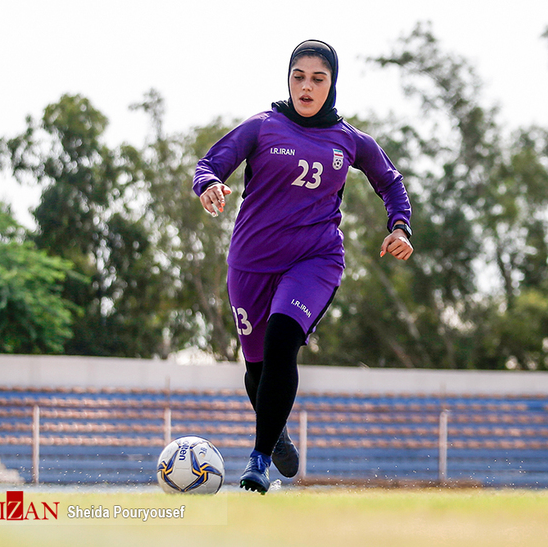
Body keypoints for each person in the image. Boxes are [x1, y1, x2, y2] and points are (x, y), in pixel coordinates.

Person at [193, 39, 413, 493]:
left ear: (332, 84)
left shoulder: (350, 140)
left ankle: (257, 460)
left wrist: (400, 227)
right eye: (299, 76)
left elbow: (390, 182)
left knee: (281, 342)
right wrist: (209, 185)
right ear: (287, 79)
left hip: (315, 259)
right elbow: (211, 164)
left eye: (318, 78)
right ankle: (277, 434)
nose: (307, 86)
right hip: (251, 263)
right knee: (256, 369)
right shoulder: (262, 126)